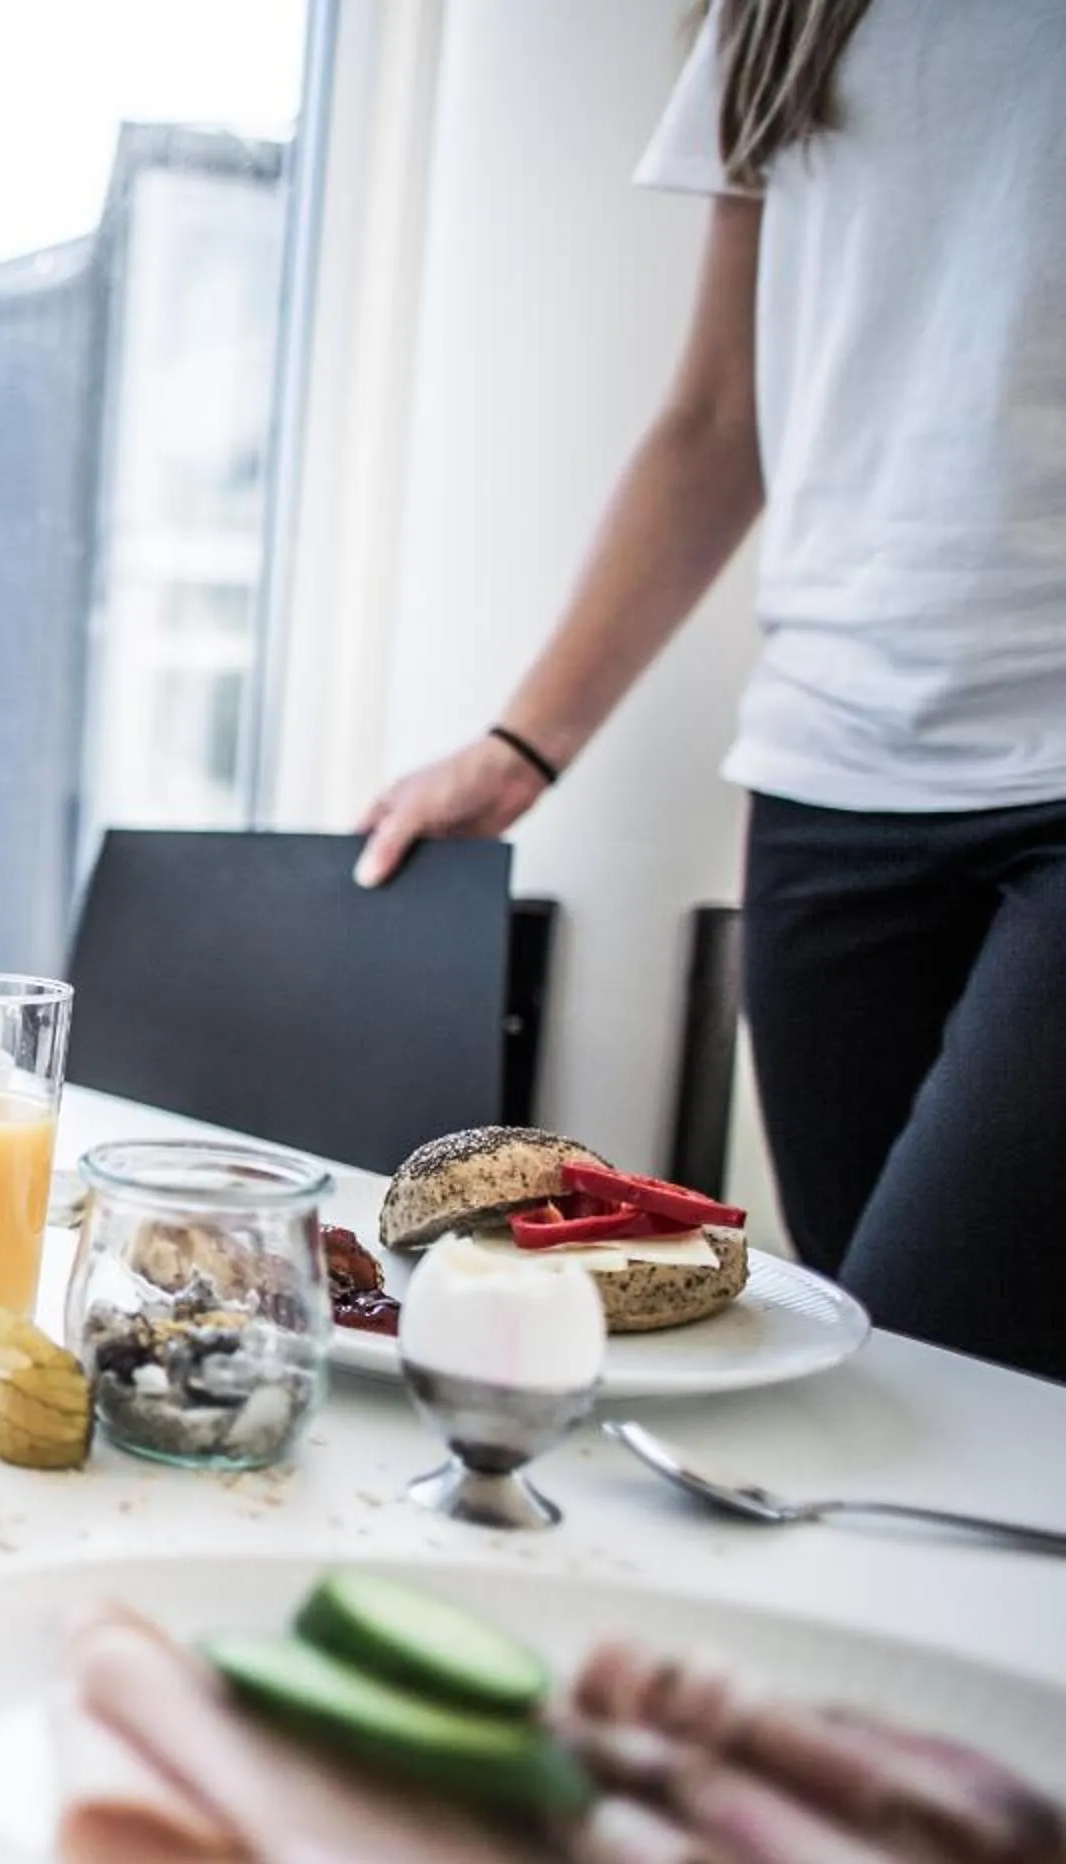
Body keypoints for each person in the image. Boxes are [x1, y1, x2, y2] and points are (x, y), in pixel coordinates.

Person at [352, 0, 1066, 1380]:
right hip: (830, 785)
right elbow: (718, 416)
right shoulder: (785, 15)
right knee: (898, 1368)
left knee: (939, 1370)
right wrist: (520, 747)